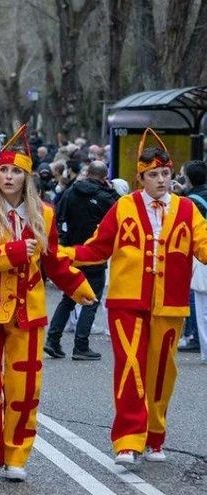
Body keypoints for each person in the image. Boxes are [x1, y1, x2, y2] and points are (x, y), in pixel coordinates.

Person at [0, 125, 95, 482]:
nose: (8, 176)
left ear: (26, 177)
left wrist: (76, 284)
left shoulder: (43, 214)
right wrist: (14, 252)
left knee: (24, 388)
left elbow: (52, 260)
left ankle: (16, 455)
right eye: (3, 170)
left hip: (27, 313)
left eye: (15, 171)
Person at [61, 129, 207, 468]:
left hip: (169, 304)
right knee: (130, 367)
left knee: (162, 373)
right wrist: (63, 254)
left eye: (165, 173)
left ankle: (154, 436)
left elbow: (203, 247)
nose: (161, 180)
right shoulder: (124, 206)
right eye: (153, 175)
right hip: (127, 302)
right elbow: (98, 248)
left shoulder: (187, 210)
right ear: (140, 178)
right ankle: (128, 440)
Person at [45, 160, 119, 360]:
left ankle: (53, 339)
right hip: (95, 254)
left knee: (69, 296)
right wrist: (111, 190)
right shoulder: (106, 197)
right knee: (91, 299)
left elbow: (58, 217)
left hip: (72, 252)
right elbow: (121, 212)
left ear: (87, 174)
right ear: (104, 178)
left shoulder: (70, 192)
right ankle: (81, 345)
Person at [179, 160, 207, 354]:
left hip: (199, 254)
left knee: (197, 297)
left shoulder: (190, 202)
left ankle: (195, 337)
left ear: (188, 179)